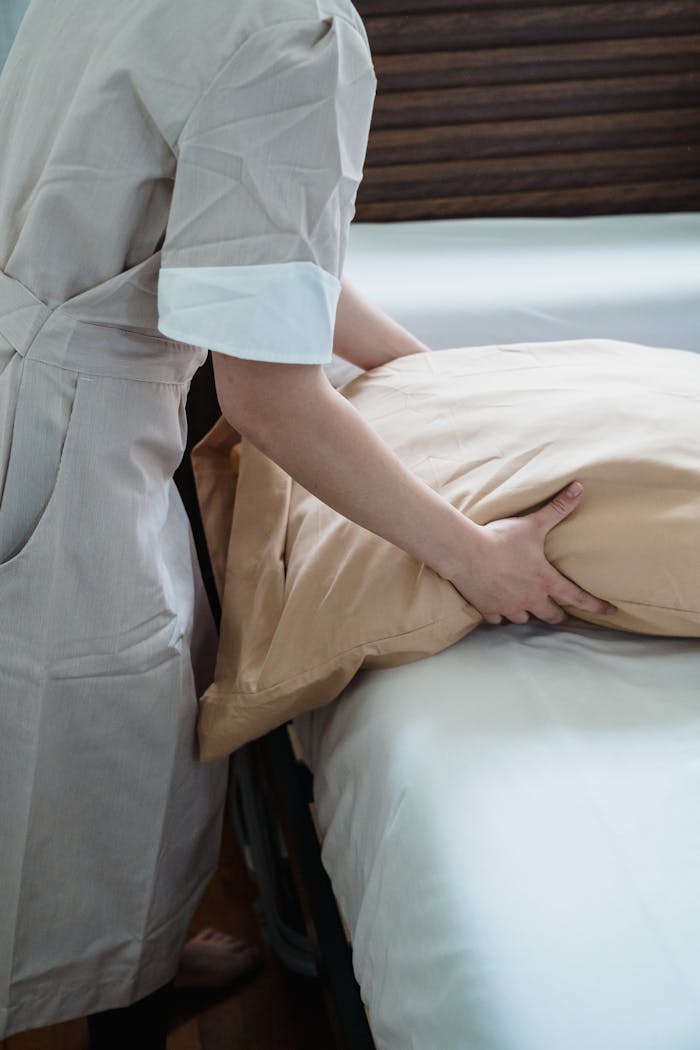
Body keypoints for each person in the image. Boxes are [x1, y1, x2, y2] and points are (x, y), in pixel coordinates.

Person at [0, 0, 614, 1045]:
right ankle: (103, 985)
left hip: (37, 371)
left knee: (84, 744)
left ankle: (121, 953)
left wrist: (422, 377)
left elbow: (243, 253)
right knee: (83, 740)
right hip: (61, 430)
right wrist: (478, 560)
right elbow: (269, 394)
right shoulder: (293, 32)